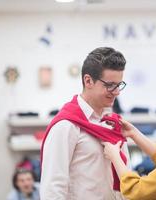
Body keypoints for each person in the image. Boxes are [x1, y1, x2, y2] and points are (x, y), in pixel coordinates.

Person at [40, 47, 129, 200]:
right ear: (88, 81)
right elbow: (53, 188)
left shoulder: (113, 124)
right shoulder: (65, 125)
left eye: (119, 85)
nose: (116, 92)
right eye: (110, 85)